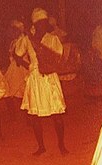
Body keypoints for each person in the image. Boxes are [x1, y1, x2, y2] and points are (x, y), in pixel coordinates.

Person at [16, 8, 68, 156]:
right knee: (34, 116)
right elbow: (17, 55)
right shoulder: (27, 39)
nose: (44, 25)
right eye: (41, 23)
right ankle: (41, 146)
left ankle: (61, 145)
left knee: (57, 113)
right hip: (35, 80)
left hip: (50, 78)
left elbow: (57, 59)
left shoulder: (53, 39)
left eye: (46, 22)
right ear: (35, 24)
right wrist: (30, 66)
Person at [3, 20, 30, 120]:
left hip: (21, 68)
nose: (11, 31)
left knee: (12, 91)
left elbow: (19, 56)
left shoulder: (23, 40)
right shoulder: (14, 41)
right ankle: (14, 115)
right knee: (15, 92)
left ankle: (26, 117)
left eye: (14, 29)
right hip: (14, 68)